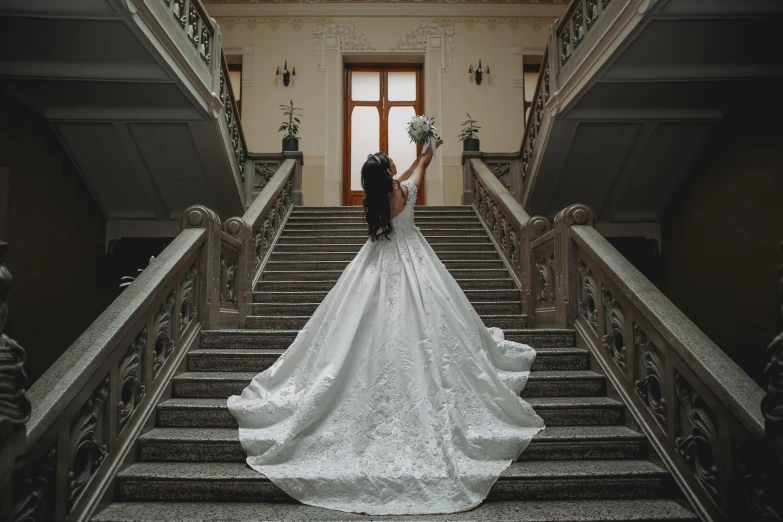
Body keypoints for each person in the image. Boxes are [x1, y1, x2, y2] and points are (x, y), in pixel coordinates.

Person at [227, 138, 545, 516]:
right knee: (430, 321)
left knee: (352, 327)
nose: (397, 163)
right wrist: (427, 148)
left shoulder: (376, 199)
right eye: (392, 162)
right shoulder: (406, 190)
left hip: (377, 261)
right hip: (415, 259)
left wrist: (415, 159)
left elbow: (406, 176)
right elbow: (419, 170)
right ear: (390, 172)